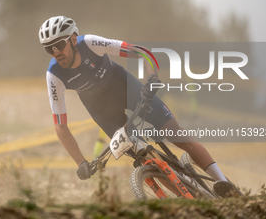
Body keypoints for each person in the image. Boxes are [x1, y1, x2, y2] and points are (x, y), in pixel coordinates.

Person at [39, 16, 236, 197]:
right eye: (49, 49)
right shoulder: (54, 75)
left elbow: (143, 52)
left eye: (58, 45)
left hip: (126, 87)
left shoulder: (89, 43)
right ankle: (189, 197)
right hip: (102, 110)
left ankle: (223, 183)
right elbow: (60, 126)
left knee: (177, 134)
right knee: (143, 158)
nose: (56, 52)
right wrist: (81, 162)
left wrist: (152, 79)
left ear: (73, 40)